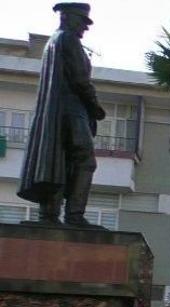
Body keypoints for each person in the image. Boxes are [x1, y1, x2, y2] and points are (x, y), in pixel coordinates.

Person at [17, 3, 107, 226]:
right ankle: (74, 215)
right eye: (81, 21)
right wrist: (95, 107)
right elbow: (80, 79)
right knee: (85, 160)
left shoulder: (52, 42)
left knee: (59, 160)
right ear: (66, 17)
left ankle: (49, 216)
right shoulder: (68, 39)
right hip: (71, 110)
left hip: (59, 112)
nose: (84, 28)